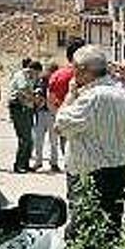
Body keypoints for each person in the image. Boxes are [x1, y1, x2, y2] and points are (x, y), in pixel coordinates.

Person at [55, 46, 125, 239]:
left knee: (83, 232)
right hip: (119, 170)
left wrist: (71, 95)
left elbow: (61, 125)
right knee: (111, 229)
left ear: (82, 69)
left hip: (92, 173)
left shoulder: (93, 97)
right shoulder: (118, 91)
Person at [48, 37, 86, 172]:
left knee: (70, 162)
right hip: (87, 127)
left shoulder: (57, 75)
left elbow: (50, 101)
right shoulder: (90, 75)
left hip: (66, 124)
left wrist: (59, 116)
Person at [9, 58, 38, 173]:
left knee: (30, 139)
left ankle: (25, 163)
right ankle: (19, 165)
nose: (36, 76)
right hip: (19, 109)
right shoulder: (21, 76)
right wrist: (34, 99)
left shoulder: (30, 77)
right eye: (36, 73)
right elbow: (23, 90)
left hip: (27, 108)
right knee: (24, 138)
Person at [32, 63, 60, 171]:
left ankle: (53, 162)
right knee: (39, 139)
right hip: (42, 112)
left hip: (51, 113)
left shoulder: (55, 82)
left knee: (53, 140)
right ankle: (39, 161)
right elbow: (36, 94)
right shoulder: (41, 81)